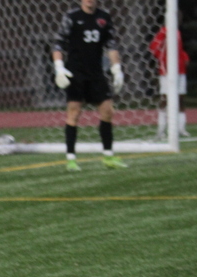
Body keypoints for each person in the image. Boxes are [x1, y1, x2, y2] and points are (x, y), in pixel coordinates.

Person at [52, 0, 127, 171]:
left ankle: (108, 156)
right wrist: (59, 68)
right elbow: (58, 44)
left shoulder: (104, 17)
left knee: (108, 111)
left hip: (96, 73)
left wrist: (117, 68)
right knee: (74, 113)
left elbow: (112, 45)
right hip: (75, 73)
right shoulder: (72, 17)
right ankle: (71, 159)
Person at [149, 12, 190, 139]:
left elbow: (179, 50)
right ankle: (161, 129)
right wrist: (163, 60)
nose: (179, 19)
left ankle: (181, 128)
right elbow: (153, 48)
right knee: (165, 98)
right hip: (167, 71)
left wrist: (185, 57)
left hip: (180, 70)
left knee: (180, 98)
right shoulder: (164, 32)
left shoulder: (177, 32)